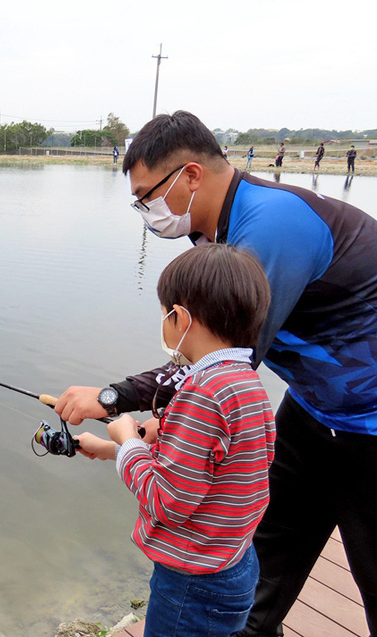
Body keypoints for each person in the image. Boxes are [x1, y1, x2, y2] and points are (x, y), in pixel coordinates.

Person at [55, 110, 377, 637]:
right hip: (313, 407)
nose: (145, 210)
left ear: (190, 175)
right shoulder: (210, 236)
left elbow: (218, 359)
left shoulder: (272, 226)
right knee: (263, 560)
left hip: (370, 423)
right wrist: (140, 432)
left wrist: (113, 401)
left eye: (146, 196)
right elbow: (211, 379)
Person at [76, 243, 275, 637]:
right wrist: (114, 450)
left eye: (165, 313)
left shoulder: (202, 393)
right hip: (233, 561)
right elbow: (218, 470)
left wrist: (128, 439)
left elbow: (168, 501)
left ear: (180, 318)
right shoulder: (247, 384)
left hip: (193, 580)